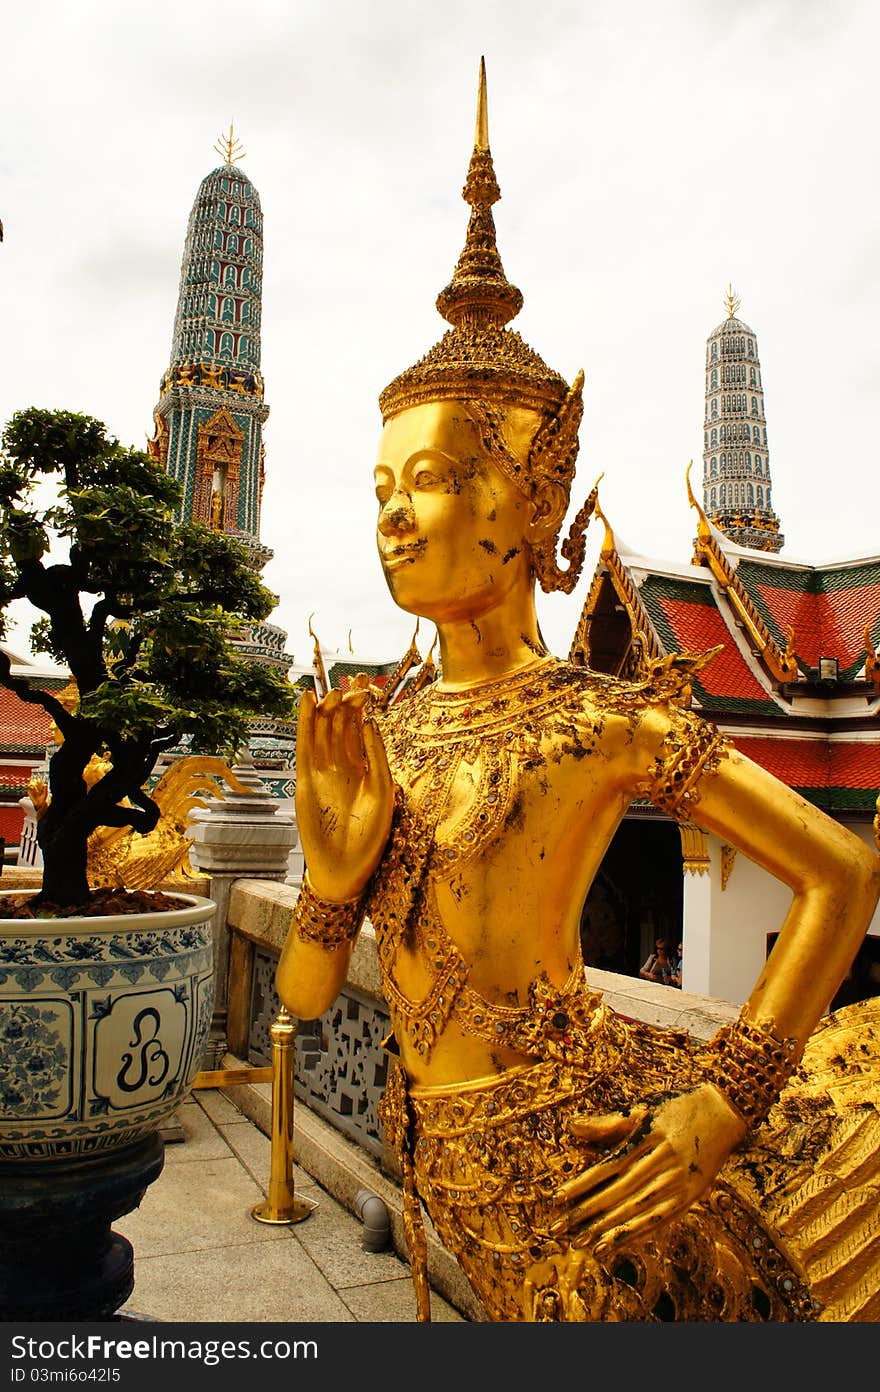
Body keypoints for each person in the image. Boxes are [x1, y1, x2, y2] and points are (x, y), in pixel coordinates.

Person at [277, 64, 880, 1322]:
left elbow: (841, 870)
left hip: (588, 1156)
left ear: (532, 498)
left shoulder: (597, 719)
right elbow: (301, 1006)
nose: (392, 512)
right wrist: (332, 890)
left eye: (432, 476)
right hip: (443, 1164)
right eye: (379, 486)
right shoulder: (391, 729)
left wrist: (722, 1104)